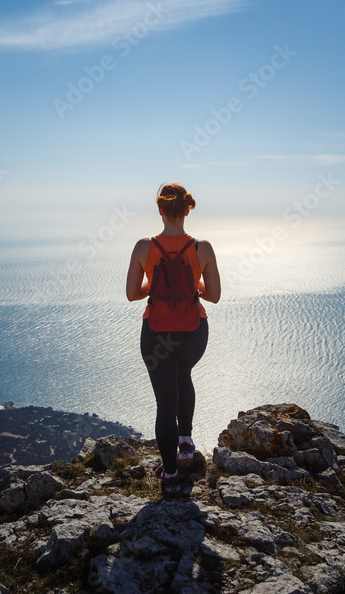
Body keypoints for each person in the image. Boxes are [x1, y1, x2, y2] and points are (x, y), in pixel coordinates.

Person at [125, 183, 221, 494]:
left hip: (156, 334)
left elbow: (131, 295)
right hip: (194, 332)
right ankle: (186, 440)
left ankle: (169, 475)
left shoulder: (144, 247)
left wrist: (154, 288)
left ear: (160, 210)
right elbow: (215, 296)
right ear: (187, 209)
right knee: (184, 375)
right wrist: (193, 288)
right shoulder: (201, 248)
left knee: (165, 405)